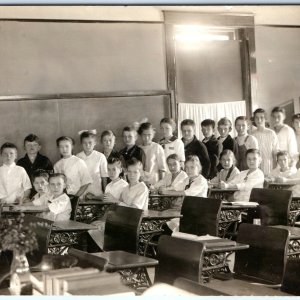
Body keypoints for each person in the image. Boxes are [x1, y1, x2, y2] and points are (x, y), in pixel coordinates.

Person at [88, 157, 128, 251]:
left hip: (120, 218)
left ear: (120, 170)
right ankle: (99, 253)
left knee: (96, 228)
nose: (111, 172)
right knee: (91, 225)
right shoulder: (109, 185)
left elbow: (125, 205)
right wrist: (93, 197)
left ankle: (107, 251)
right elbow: (105, 200)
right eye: (108, 170)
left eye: (114, 169)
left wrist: (114, 200)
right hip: (109, 215)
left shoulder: (124, 185)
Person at [76, 130, 108, 200]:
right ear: (81, 143)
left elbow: (104, 177)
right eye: (85, 143)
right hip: (81, 192)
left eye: (90, 143)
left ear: (95, 143)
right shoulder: (77, 157)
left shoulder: (100, 156)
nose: (87, 145)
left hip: (96, 192)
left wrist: (105, 193)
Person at [251, 108, 279, 175]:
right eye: (257, 118)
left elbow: (276, 151)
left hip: (270, 165)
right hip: (256, 166)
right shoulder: (252, 135)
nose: (259, 120)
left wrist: (275, 168)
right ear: (254, 119)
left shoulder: (271, 133)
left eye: (262, 117)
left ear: (265, 119)